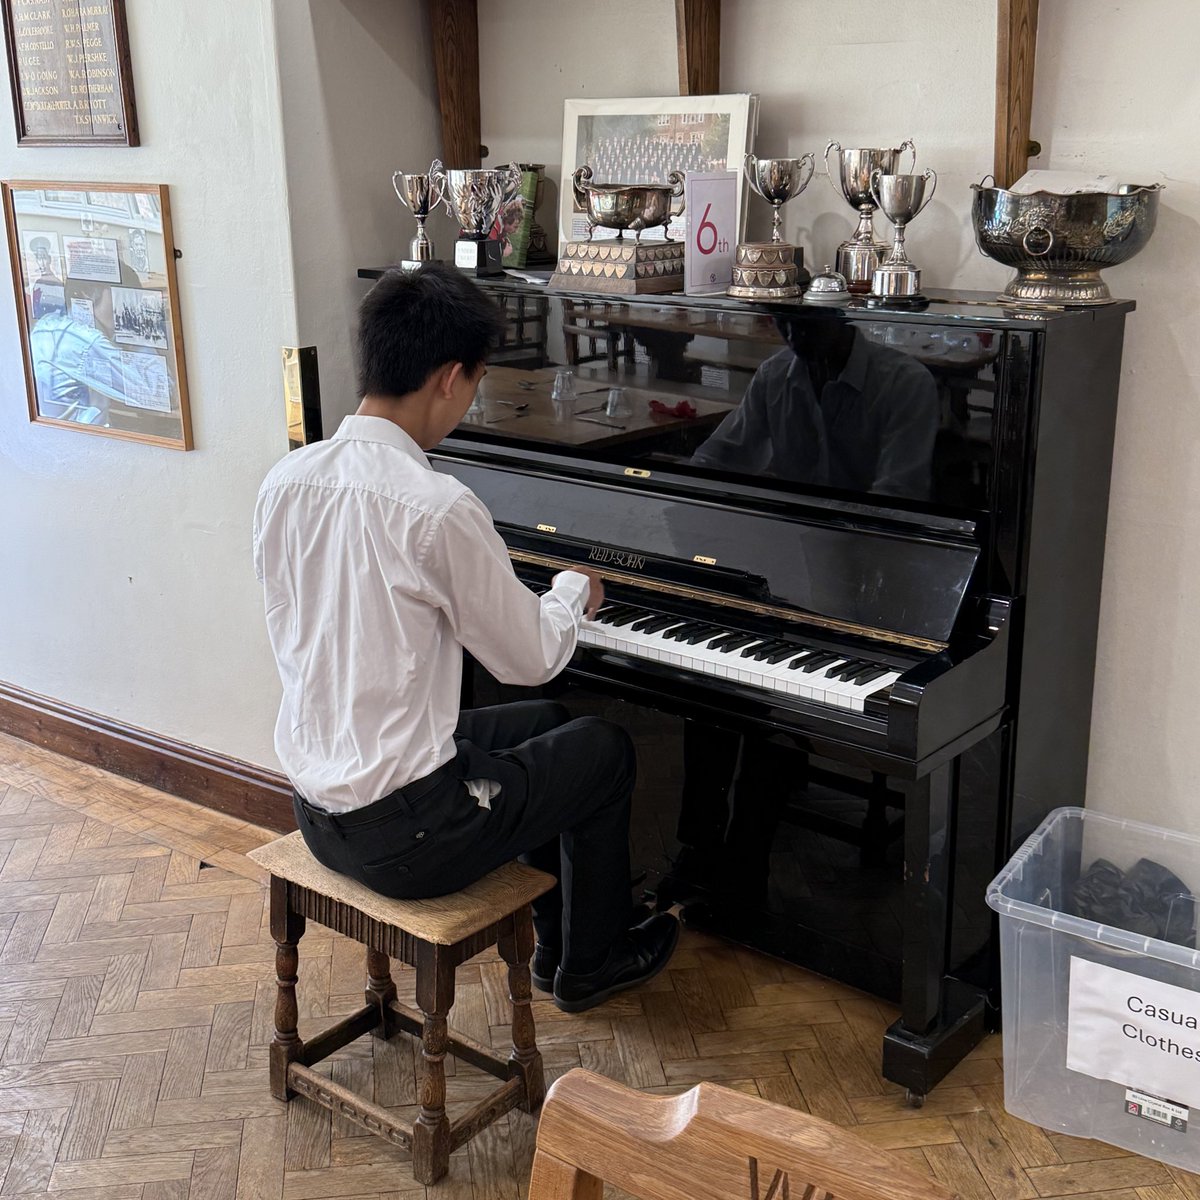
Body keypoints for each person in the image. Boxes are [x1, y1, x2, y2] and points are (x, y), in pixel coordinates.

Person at [253, 264, 679, 1013]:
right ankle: (595, 962)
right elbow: (533, 658)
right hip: (410, 842)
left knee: (549, 729)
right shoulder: (436, 506)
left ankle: (559, 943)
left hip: (319, 810)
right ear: (451, 377)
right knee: (606, 752)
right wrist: (574, 591)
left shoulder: (286, 480)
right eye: (478, 383)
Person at [691, 319, 939, 500]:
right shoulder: (773, 374)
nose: (792, 333)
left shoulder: (905, 381)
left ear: (840, 316)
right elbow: (724, 455)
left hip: (874, 540)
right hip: (795, 533)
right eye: (782, 320)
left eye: (809, 322)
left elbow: (898, 493)